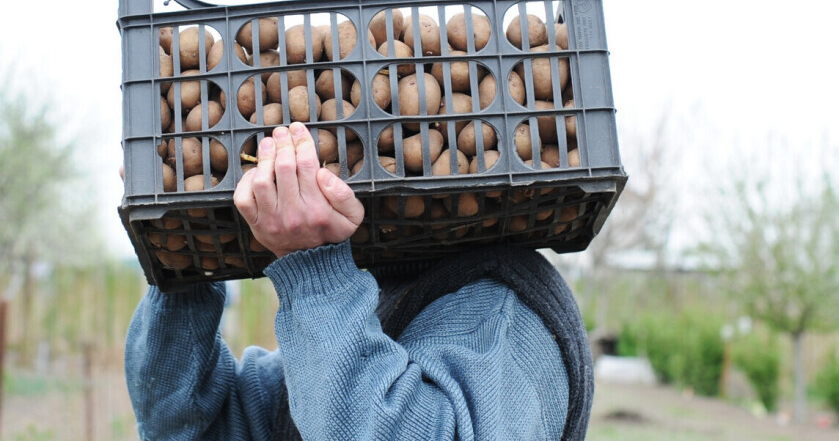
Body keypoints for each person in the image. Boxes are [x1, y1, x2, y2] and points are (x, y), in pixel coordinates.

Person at [125, 122, 593, 440]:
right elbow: (186, 427)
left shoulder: (503, 309)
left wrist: (313, 266)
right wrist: (182, 255)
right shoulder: (370, 308)